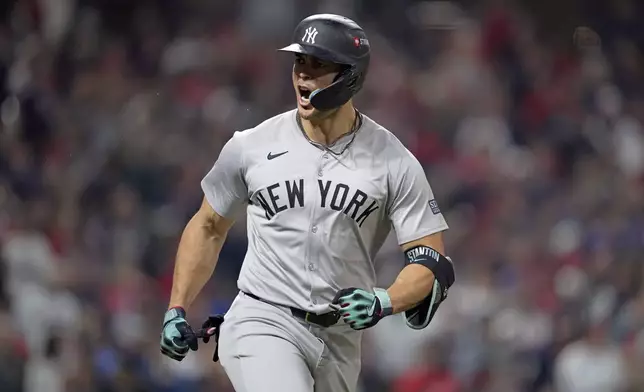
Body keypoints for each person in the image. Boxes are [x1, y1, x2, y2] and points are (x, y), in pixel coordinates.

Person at [159, 13, 455, 392]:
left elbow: (430, 261)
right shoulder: (252, 145)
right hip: (262, 317)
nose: (303, 74)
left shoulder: (393, 161)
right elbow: (208, 225)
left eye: (319, 65)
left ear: (350, 75)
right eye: (300, 61)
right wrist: (176, 307)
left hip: (341, 338)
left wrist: (386, 299)